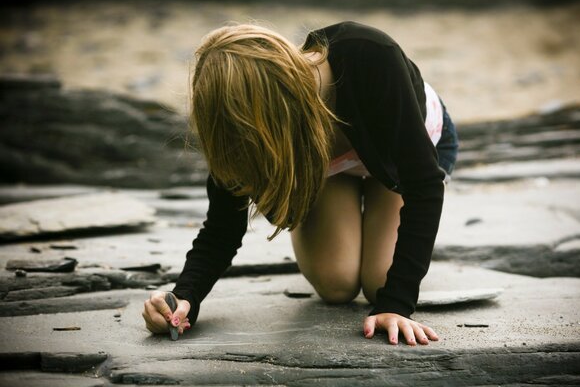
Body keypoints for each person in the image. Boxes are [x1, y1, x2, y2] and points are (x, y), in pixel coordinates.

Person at [142, 20, 459, 346]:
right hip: (331, 172)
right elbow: (222, 226)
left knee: (381, 282)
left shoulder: (371, 54)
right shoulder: (239, 125)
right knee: (337, 284)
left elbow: (424, 185)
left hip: (401, 162)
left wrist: (396, 305)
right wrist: (184, 298)